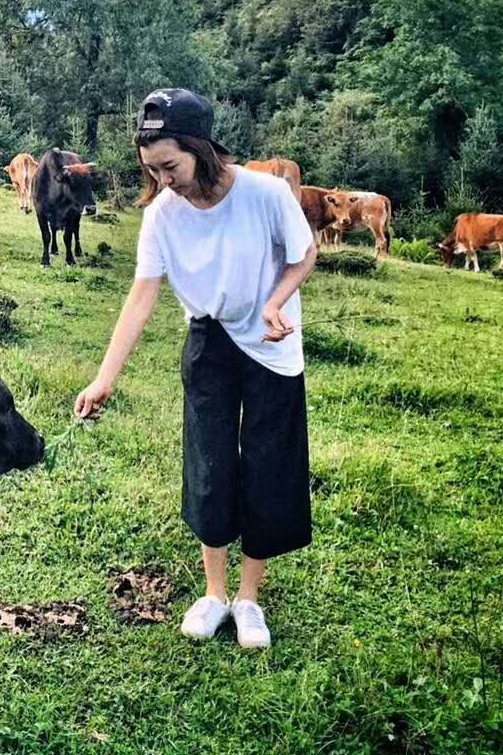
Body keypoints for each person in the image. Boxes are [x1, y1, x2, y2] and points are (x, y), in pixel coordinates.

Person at [74, 88, 316, 649]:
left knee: (267, 465)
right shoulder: (161, 214)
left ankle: (249, 601)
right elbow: (141, 297)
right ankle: (213, 594)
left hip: (269, 343)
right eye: (152, 169)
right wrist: (105, 378)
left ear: (201, 149)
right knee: (208, 465)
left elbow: (305, 254)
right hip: (207, 341)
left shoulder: (264, 193)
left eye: (170, 166)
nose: (163, 180)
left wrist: (276, 302)